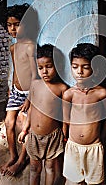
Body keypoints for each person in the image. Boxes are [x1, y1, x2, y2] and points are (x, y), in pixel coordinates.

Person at [17, 44, 68, 184]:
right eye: (40, 68)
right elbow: (31, 109)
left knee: (50, 167)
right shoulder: (35, 85)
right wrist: (25, 130)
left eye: (49, 66)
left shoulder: (61, 88)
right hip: (34, 135)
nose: (44, 71)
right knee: (34, 168)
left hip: (53, 136)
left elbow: (64, 114)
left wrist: (64, 133)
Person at [0, 3, 37, 176]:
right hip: (16, 92)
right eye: (10, 25)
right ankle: (13, 155)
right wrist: (11, 87)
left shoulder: (30, 47)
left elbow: (36, 76)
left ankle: (21, 161)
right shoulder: (13, 48)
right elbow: (15, 69)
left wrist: (30, 99)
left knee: (26, 128)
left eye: (17, 24)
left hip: (30, 94)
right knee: (9, 122)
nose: (13, 28)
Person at [62, 43, 106, 185]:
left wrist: (102, 135)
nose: (80, 72)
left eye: (85, 67)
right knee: (73, 182)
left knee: (95, 182)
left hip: (94, 147)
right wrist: (65, 137)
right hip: (73, 146)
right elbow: (66, 118)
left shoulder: (101, 93)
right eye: (75, 67)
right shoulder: (69, 94)